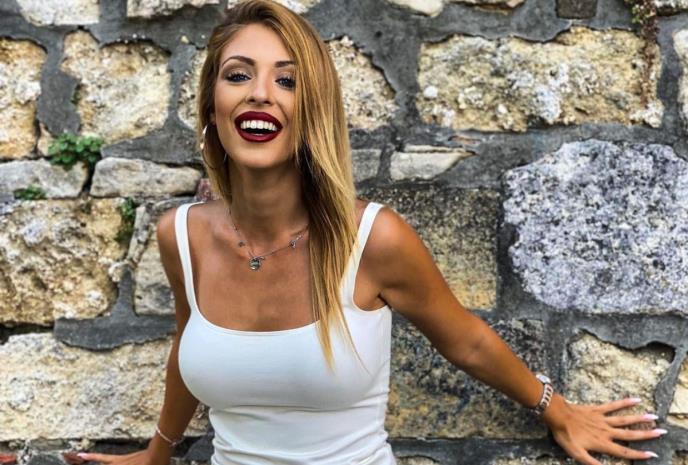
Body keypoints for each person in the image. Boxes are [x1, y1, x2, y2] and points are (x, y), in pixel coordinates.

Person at [72, 1, 666, 464]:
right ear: (211, 107)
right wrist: (158, 452)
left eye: (287, 81)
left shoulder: (373, 239)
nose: (260, 93)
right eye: (238, 75)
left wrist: (557, 410)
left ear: (314, 111)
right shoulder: (181, 236)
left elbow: (466, 340)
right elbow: (189, 344)